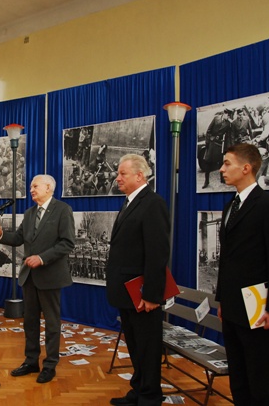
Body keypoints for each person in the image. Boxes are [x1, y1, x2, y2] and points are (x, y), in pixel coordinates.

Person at [215, 143, 269, 405]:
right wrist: (222, 299)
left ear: (246, 168)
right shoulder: (230, 206)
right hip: (232, 307)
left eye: (227, 163)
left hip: (257, 309)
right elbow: (227, 258)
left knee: (258, 377)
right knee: (238, 375)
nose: (221, 169)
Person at [0, 174, 75, 384]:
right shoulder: (29, 213)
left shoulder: (63, 210)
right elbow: (18, 238)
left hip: (50, 276)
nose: (31, 190)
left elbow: (67, 243)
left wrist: (42, 258)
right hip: (29, 277)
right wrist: (0, 235)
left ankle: (50, 365)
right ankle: (31, 361)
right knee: (30, 322)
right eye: (30, 187)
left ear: (48, 187)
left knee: (52, 323)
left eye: (35, 186)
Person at [106, 154, 170, 406]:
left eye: (122, 173)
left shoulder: (153, 204)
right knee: (135, 345)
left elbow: (157, 253)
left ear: (140, 176)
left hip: (142, 294)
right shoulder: (129, 202)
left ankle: (150, 396)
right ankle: (140, 389)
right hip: (127, 292)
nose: (117, 178)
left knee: (147, 347)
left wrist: (152, 295)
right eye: (118, 173)